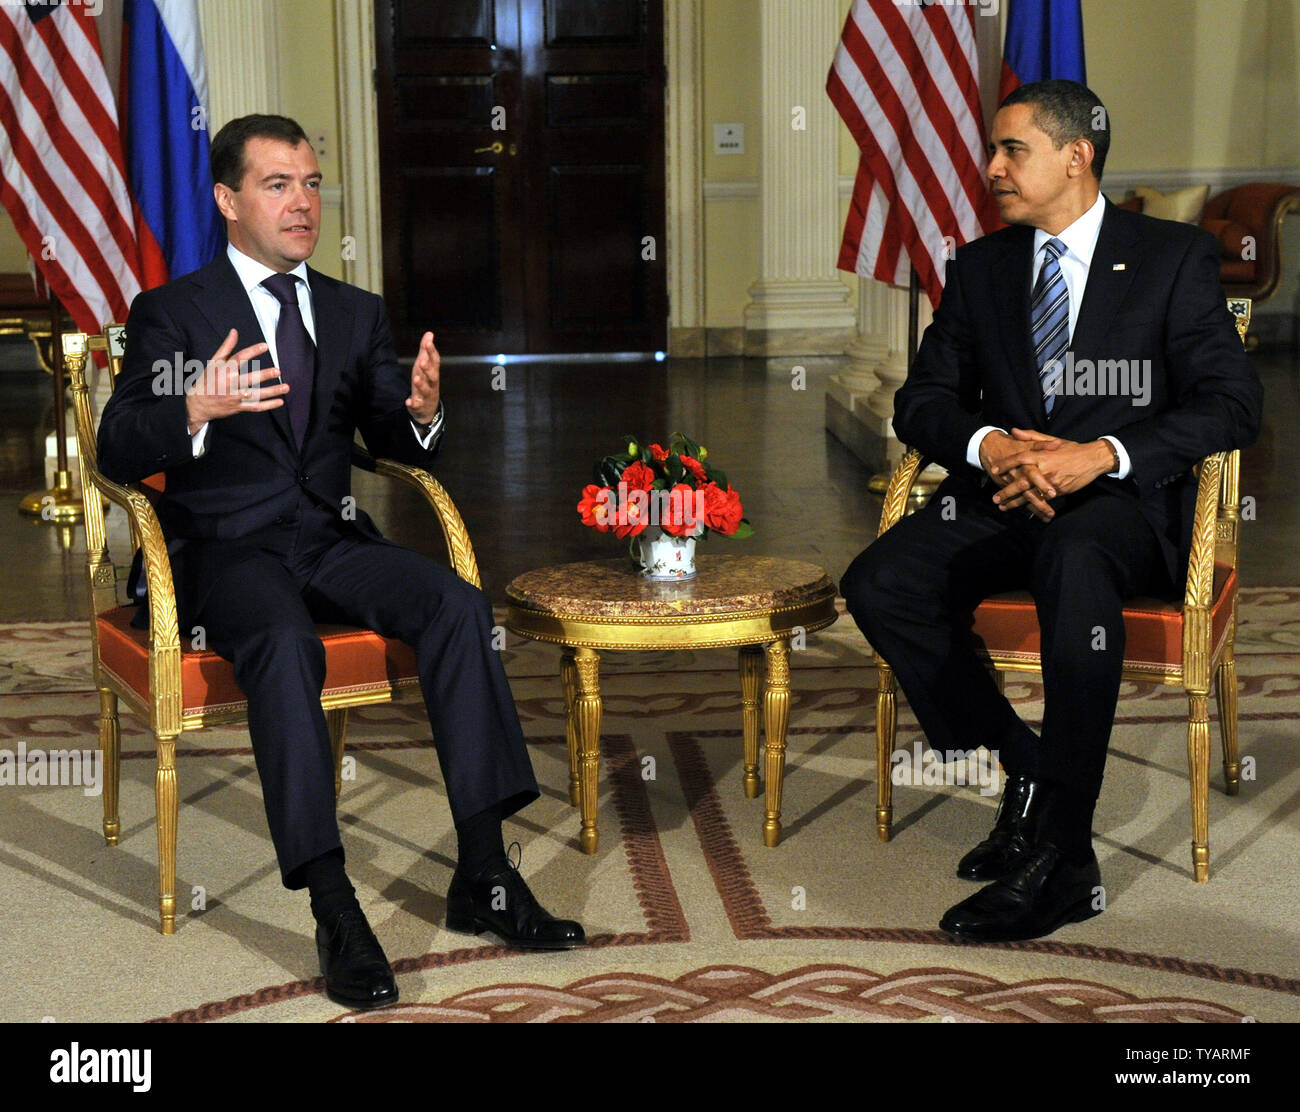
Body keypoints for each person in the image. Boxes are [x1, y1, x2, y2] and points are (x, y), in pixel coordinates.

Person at [97, 114, 585, 1010]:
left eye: (312, 183)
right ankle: (333, 905)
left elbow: (394, 442)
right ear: (227, 199)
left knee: (454, 602)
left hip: (330, 538)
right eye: (278, 183)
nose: (302, 202)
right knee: (286, 647)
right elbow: (118, 447)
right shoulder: (173, 311)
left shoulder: (355, 312)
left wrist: (424, 412)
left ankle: (483, 873)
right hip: (227, 555)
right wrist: (195, 407)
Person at [840, 81, 1262, 943]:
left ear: (1077, 155)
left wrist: (1097, 457)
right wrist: (991, 443)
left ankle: (1064, 854)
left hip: (1118, 508)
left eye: (1011, 150)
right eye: (992, 151)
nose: (991, 167)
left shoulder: (1171, 257)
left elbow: (1232, 402)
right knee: (880, 581)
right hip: (999, 500)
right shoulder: (983, 266)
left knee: (1073, 558)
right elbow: (923, 402)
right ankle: (1024, 765)